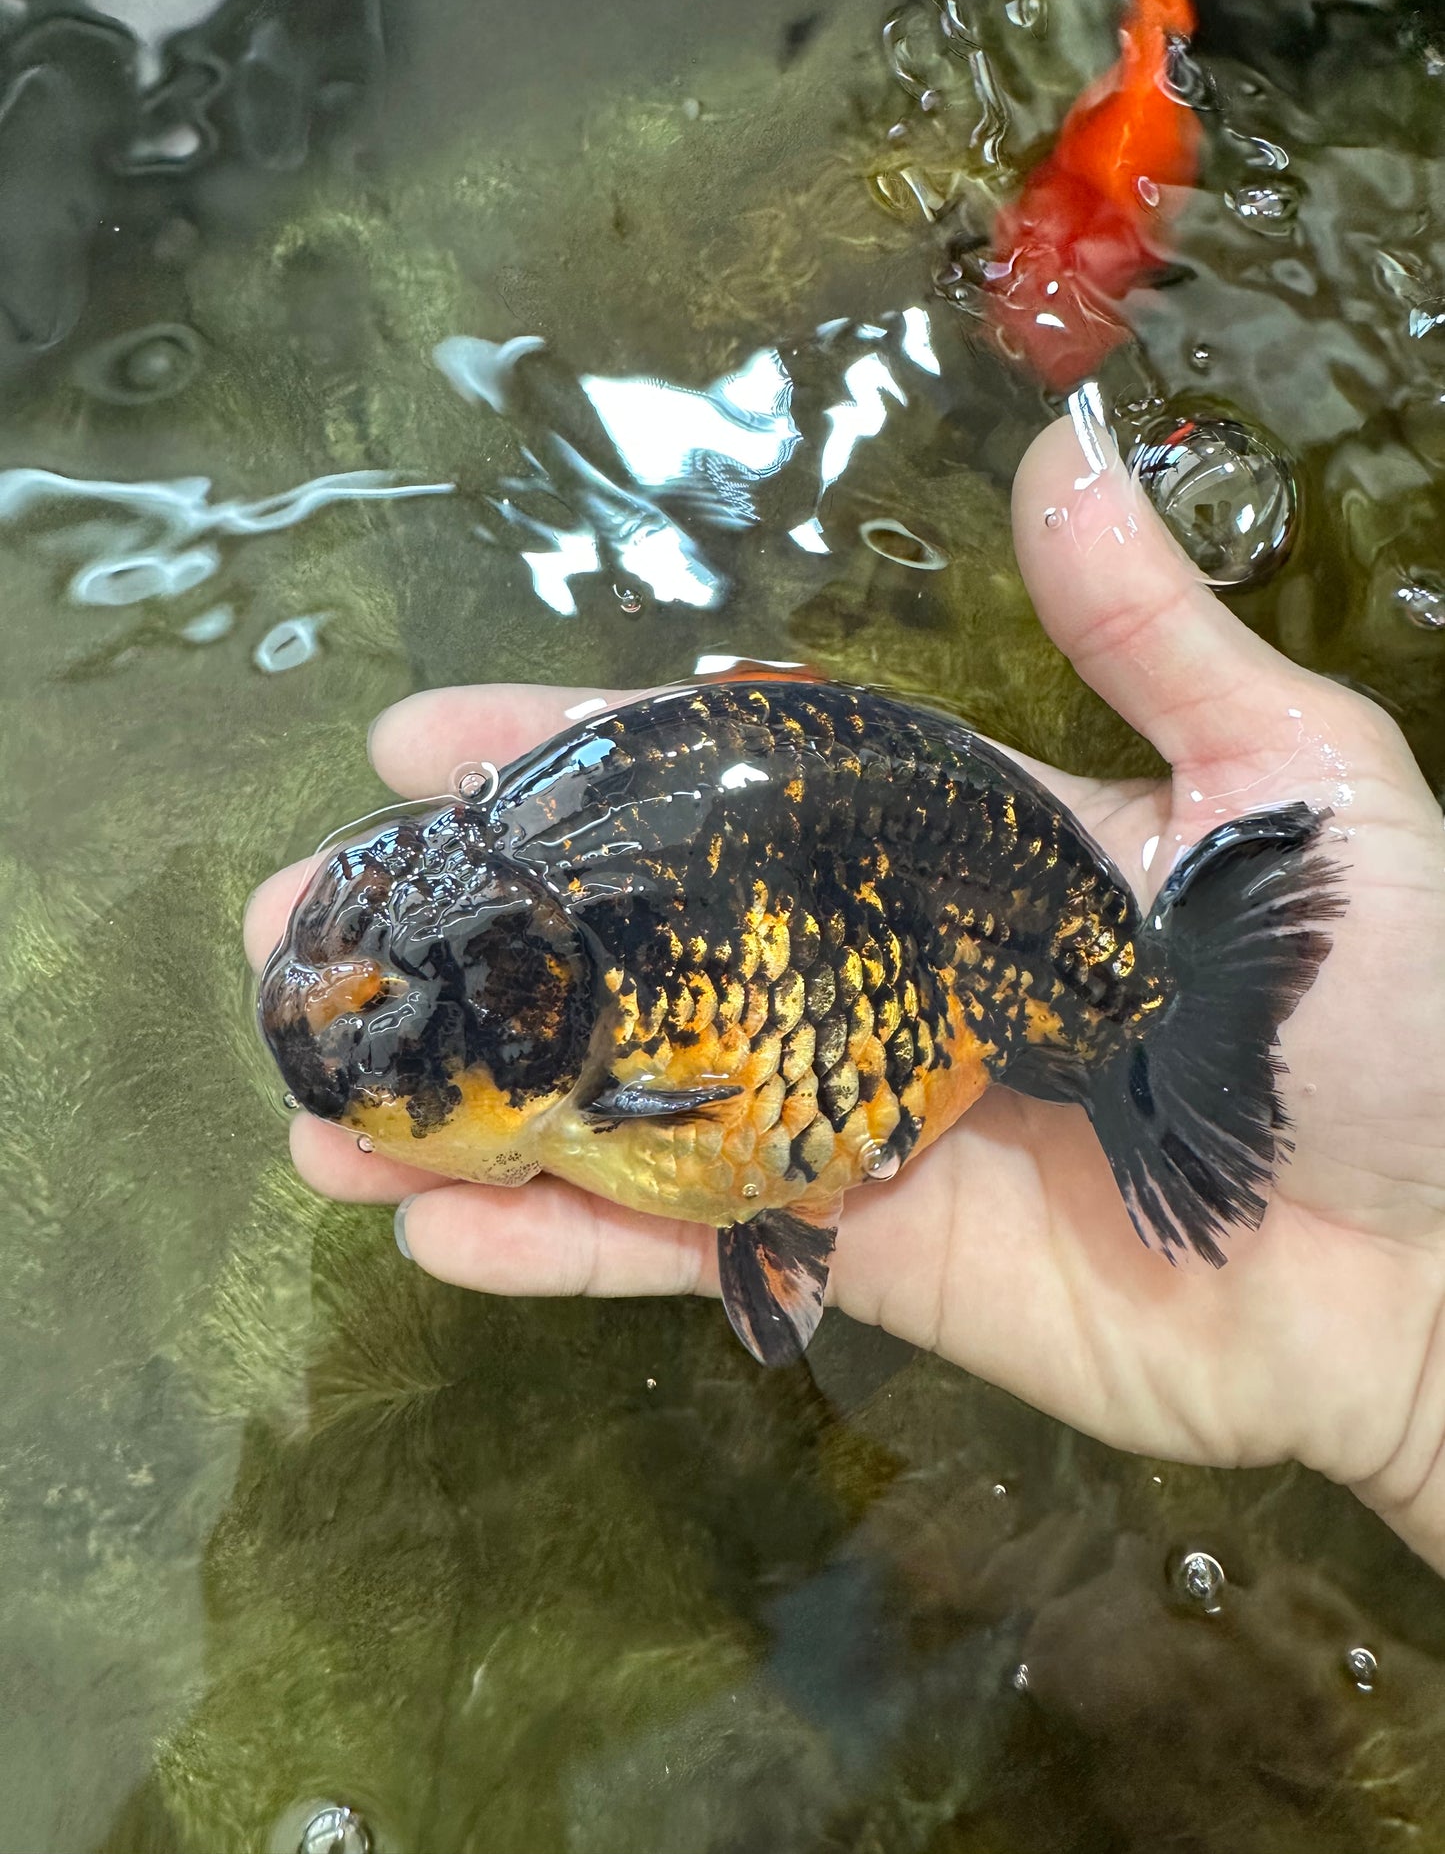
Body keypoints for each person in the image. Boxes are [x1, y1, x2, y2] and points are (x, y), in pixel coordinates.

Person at [245, 410, 1445, 1575]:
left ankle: (1144, 1027)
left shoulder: (601, 1037)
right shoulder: (543, 877)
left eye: (384, 1051)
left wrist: (1412, 1371)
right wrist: (1404, 1392)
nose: (359, 1054)